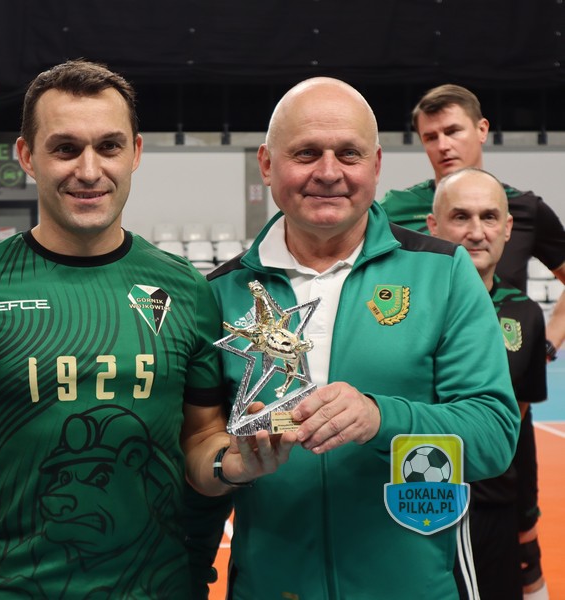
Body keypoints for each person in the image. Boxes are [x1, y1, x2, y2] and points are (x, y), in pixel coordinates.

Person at [0, 59, 286, 599]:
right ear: (26, 156)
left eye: (108, 147)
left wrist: (229, 463)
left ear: (136, 153)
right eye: (65, 148)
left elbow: (199, 440)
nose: (88, 170)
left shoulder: (186, 291)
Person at [203, 77, 519, 599]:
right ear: (267, 163)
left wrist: (380, 418)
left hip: (414, 587)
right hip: (271, 585)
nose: (329, 173)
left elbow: (493, 437)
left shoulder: (442, 273)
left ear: (375, 165)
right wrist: (228, 466)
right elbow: (199, 450)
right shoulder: (219, 293)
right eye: (306, 153)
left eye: (348, 154)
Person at [379, 84, 559, 598]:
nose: (443, 144)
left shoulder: (524, 207)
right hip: (423, 407)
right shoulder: (395, 208)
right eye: (430, 135)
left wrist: (542, 345)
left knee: (510, 544)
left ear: (482, 130)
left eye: (453, 131)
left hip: (500, 392)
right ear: (435, 223)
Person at [427, 168, 547, 600]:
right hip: (419, 500)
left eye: (489, 217)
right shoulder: (406, 305)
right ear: (434, 225)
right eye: (461, 216)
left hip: (494, 512)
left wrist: (526, 521)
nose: (476, 232)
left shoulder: (526, 314)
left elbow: (519, 432)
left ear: (507, 228)